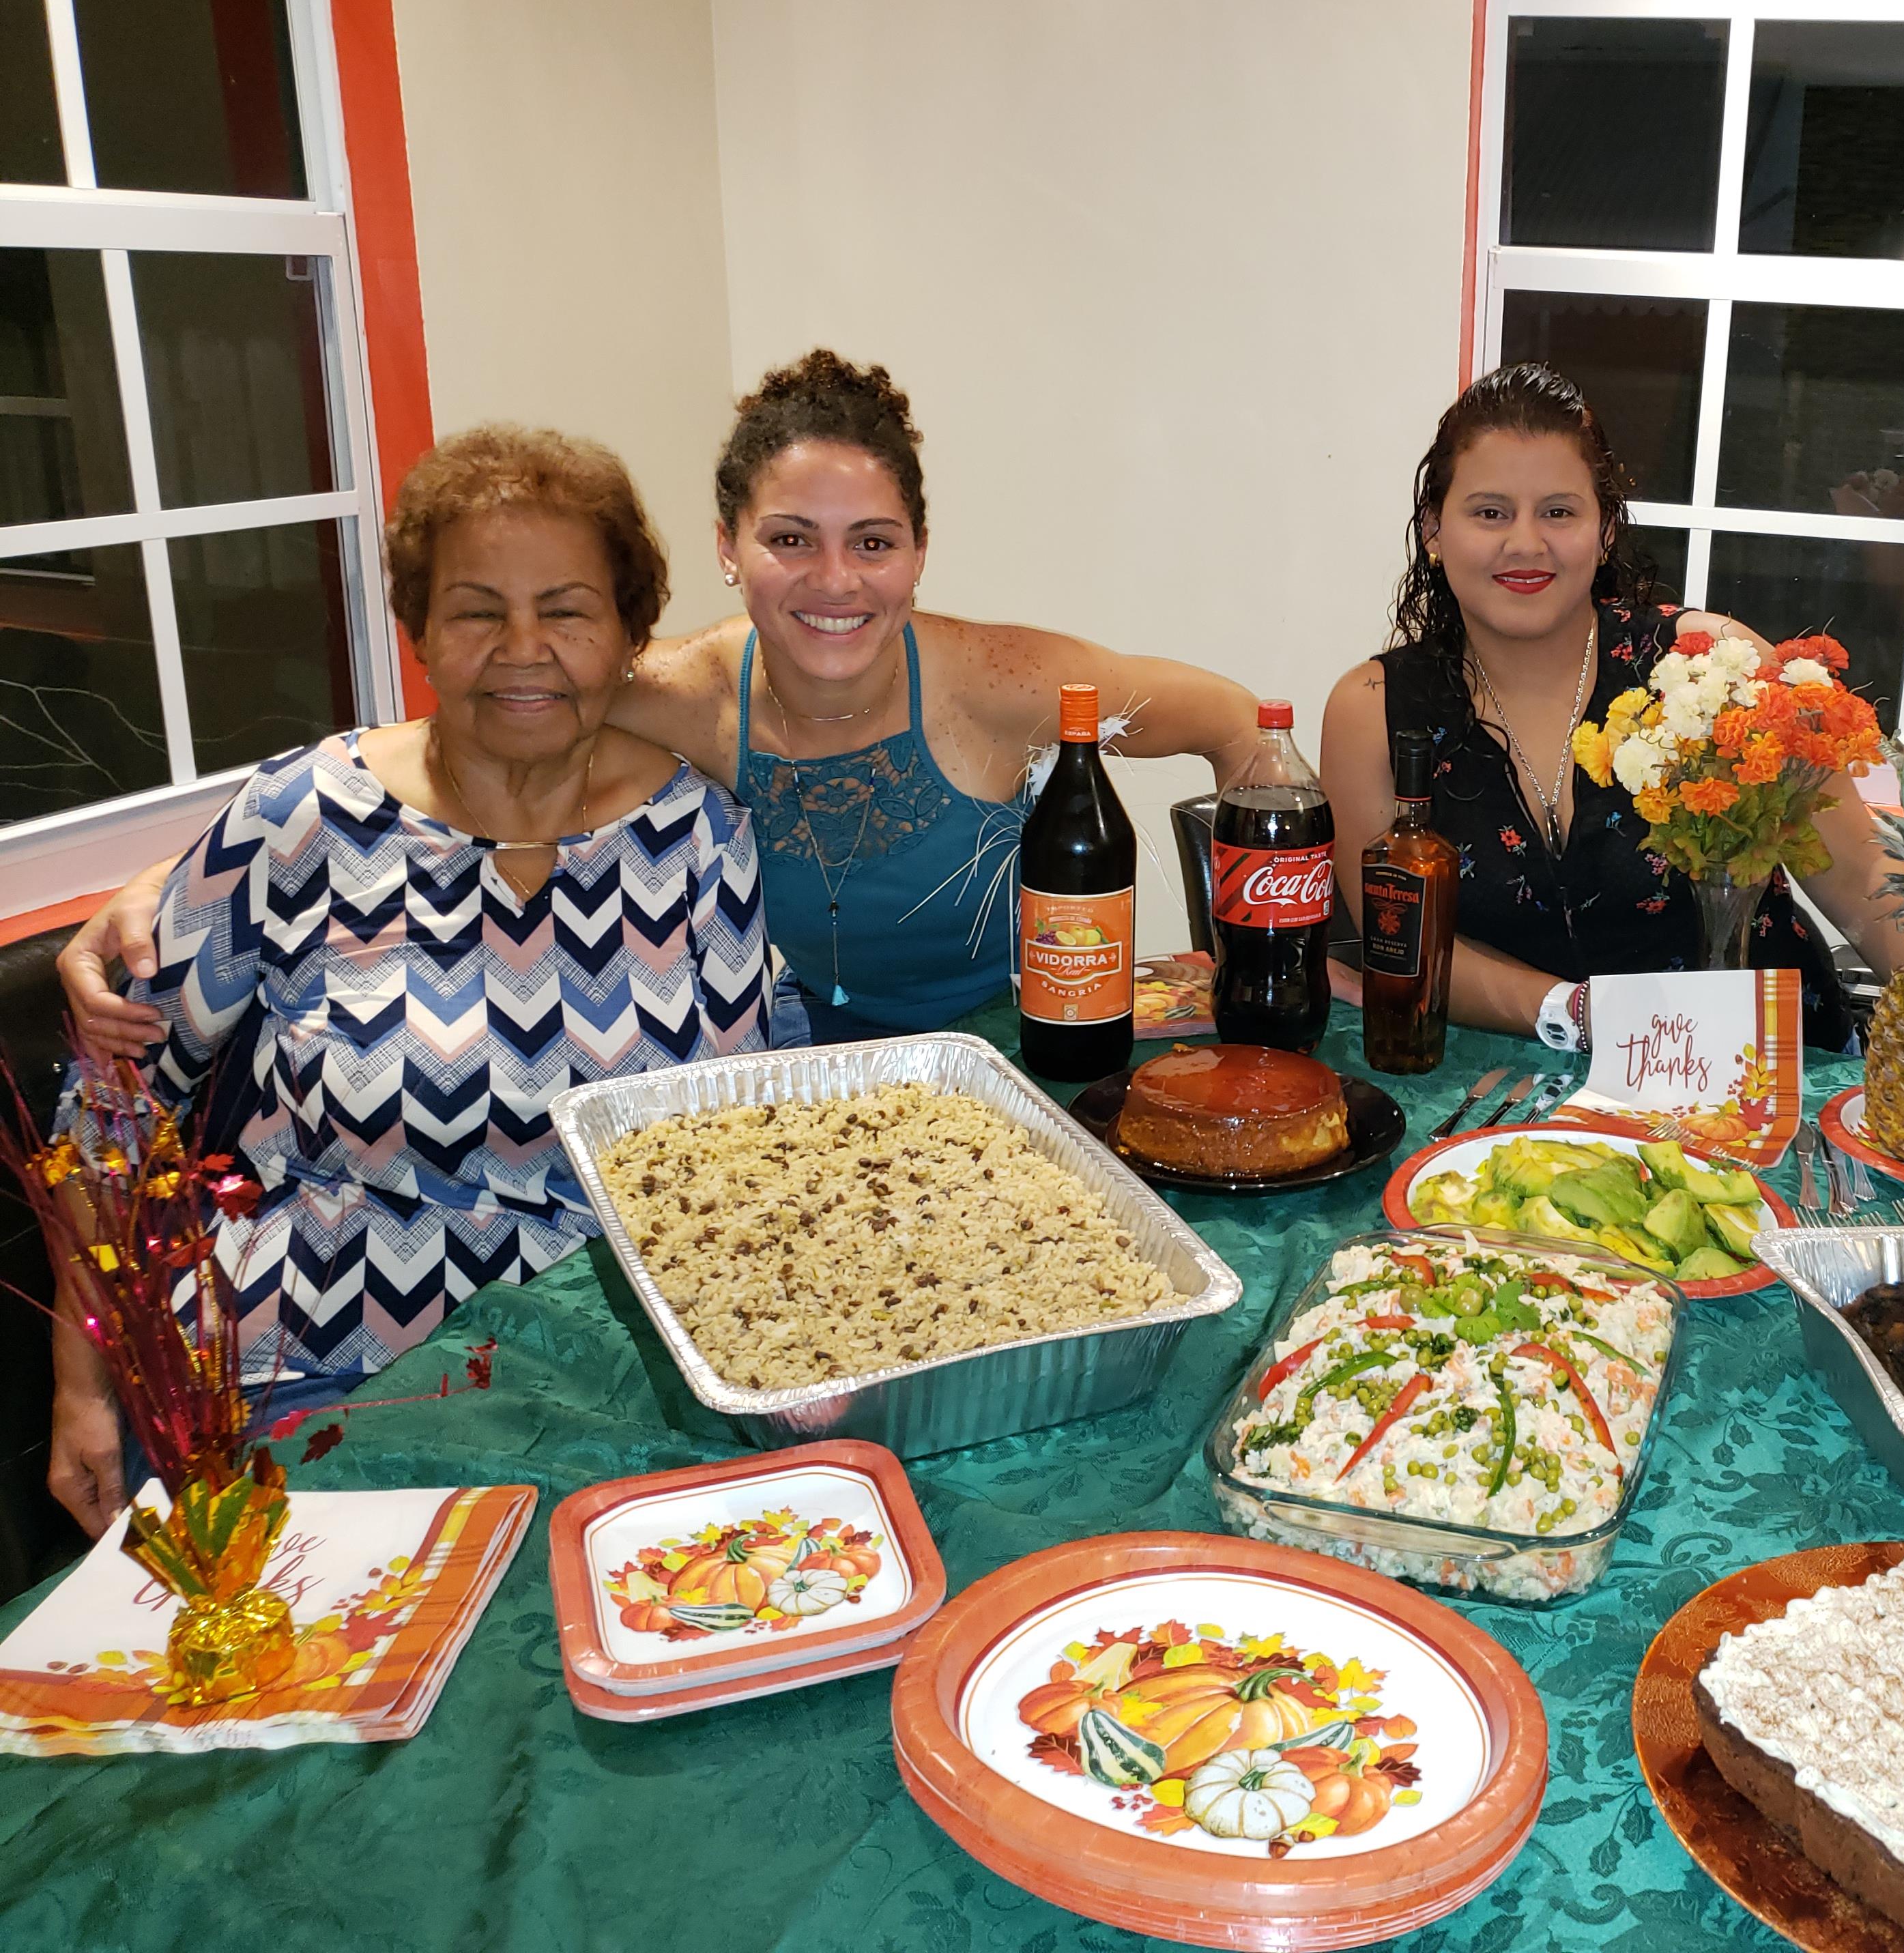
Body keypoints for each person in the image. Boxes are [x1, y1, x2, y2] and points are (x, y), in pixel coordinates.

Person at [63, 349, 1261, 1052]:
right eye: (790, 538)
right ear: (729, 547)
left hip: (1015, 1054)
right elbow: (461, 730)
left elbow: (1232, 725)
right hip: (790, 1082)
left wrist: (1259, 961)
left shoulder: (1009, 683)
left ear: (919, 552)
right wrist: (172, 885)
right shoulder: (681, 695)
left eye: (873, 541)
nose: (835, 581)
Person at [49, 427, 769, 1534]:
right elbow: (111, 1105)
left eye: (566, 610)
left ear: (630, 635)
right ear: (421, 630)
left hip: (600, 1375)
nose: (522, 648)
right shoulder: (299, 816)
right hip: (305, 1372)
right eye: (477, 611)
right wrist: (84, 1383)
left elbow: (736, 1142)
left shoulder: (701, 836)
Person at [1321, 362, 1904, 1043]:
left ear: (1604, 530)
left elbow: (1862, 877)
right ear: (1433, 530)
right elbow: (1404, 940)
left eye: (1559, 512)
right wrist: (1578, 1014)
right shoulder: (1371, 711)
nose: (1525, 543)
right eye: (1489, 512)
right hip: (1513, 1085)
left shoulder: (1712, 668)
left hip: (1764, 1071)